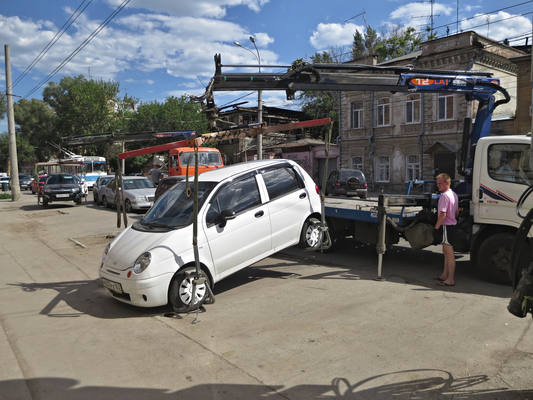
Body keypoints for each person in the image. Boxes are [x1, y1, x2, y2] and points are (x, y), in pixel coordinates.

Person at [434, 173, 459, 287]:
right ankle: (444, 275)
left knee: (449, 254)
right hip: (452, 225)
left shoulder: (444, 196)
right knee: (446, 252)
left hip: (446, 226)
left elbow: (442, 214)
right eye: (437, 183)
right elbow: (457, 212)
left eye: (440, 183)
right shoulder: (454, 194)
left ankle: (450, 280)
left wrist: (436, 227)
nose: (438, 186)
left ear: (447, 183)